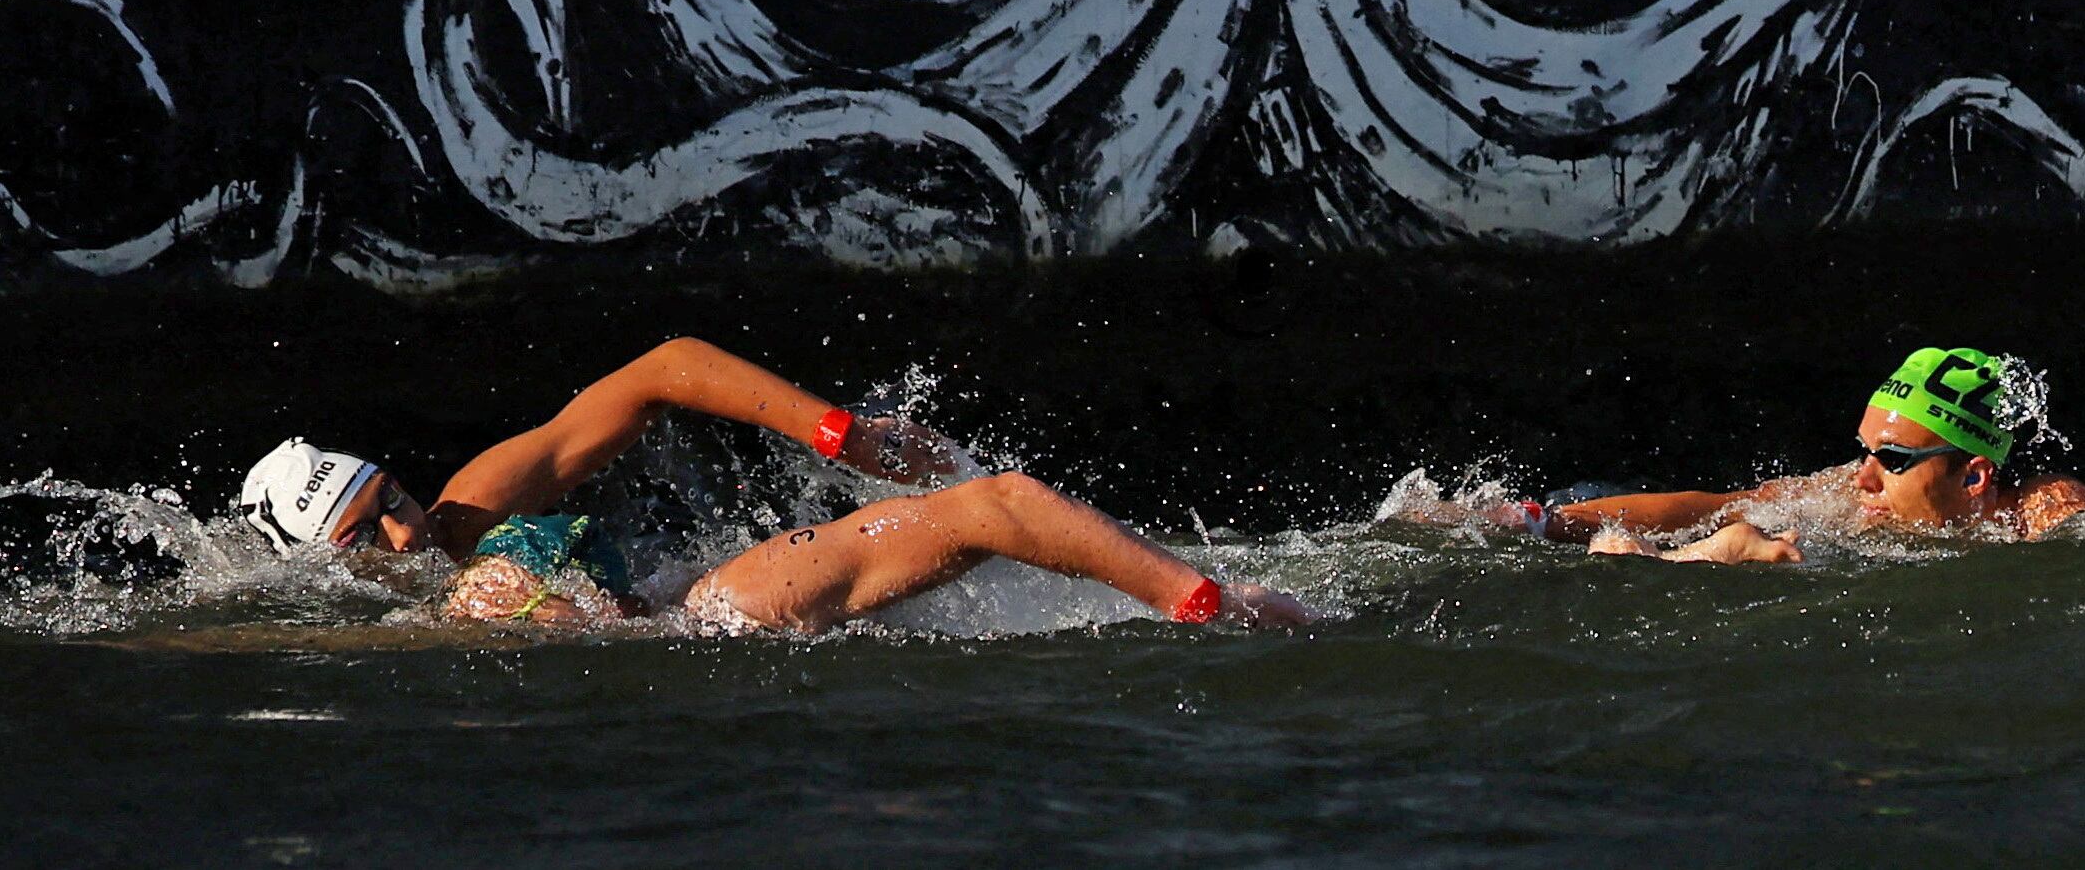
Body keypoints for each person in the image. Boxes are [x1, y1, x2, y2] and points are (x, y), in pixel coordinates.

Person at [237, 335, 1316, 633]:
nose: (402, 538)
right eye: (362, 539)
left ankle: (1219, 601)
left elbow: (660, 368)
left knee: (998, 500)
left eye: (391, 502)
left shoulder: (476, 503)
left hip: (701, 607)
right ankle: (1217, 605)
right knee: (997, 505)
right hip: (687, 633)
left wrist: (835, 432)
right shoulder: (377, 633)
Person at [1402, 345, 2085, 561]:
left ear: (1976, 474)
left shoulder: (2044, 516)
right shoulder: (1858, 488)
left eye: (1890, 458)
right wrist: (1540, 519)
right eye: (1864, 451)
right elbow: (1719, 503)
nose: (1862, 476)